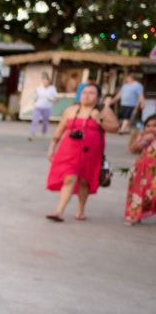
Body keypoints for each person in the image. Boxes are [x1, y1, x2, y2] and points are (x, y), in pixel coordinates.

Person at [45, 84, 118, 221]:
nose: (87, 95)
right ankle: (59, 212)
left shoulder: (103, 110)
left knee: (85, 181)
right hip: (69, 151)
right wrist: (52, 147)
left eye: (91, 93)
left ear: (98, 96)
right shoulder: (71, 110)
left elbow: (115, 127)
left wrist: (99, 119)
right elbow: (60, 129)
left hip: (91, 153)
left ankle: (80, 210)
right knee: (69, 178)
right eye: (84, 92)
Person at [124, 114, 156, 226]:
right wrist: (144, 141)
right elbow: (133, 150)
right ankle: (134, 215)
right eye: (148, 126)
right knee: (138, 194)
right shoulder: (143, 136)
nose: (151, 128)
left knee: (152, 194)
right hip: (141, 170)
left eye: (154, 125)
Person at [29, 73, 57, 140]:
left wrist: (53, 99)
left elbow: (55, 98)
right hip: (38, 107)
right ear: (41, 81)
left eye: (46, 81)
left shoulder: (52, 88)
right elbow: (33, 96)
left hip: (47, 107)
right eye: (43, 81)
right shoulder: (39, 88)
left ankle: (44, 133)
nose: (45, 82)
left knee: (45, 122)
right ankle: (32, 133)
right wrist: (33, 101)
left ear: (49, 81)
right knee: (35, 120)